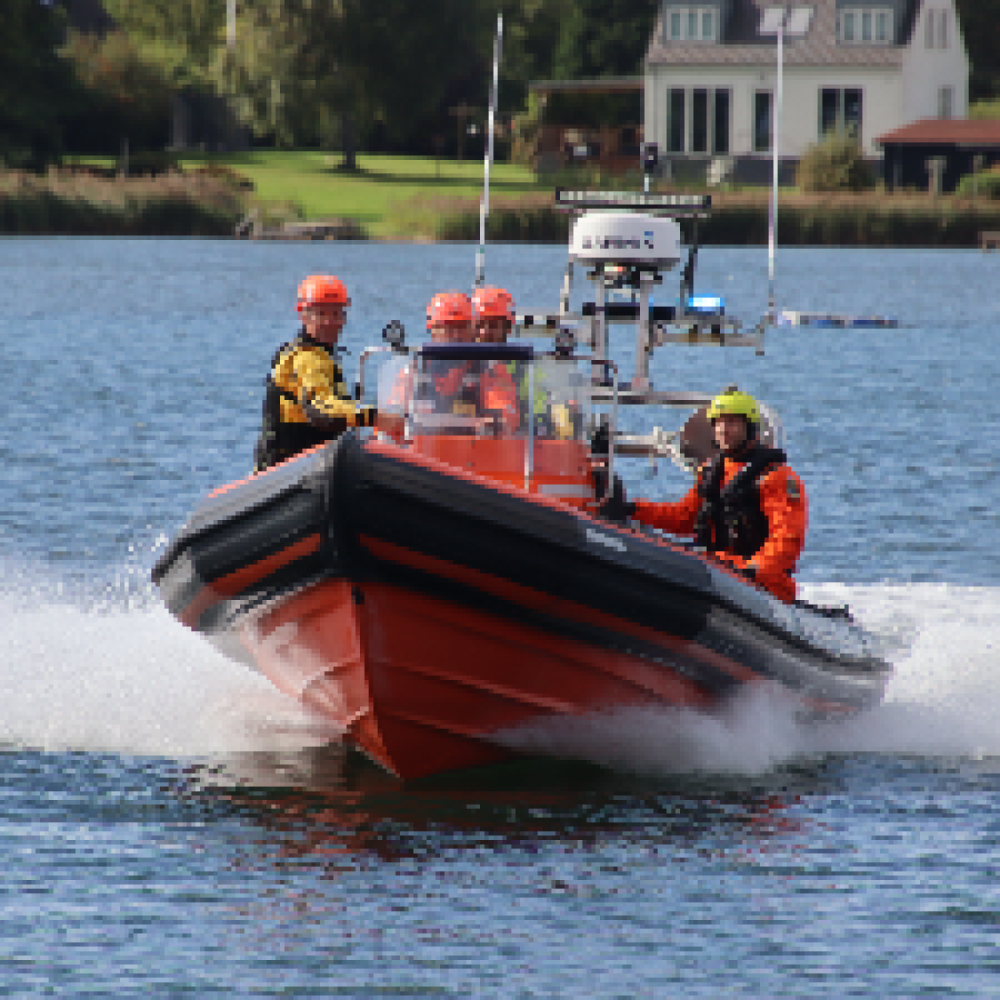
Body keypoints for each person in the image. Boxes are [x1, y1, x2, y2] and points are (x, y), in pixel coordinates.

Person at [602, 386, 807, 603]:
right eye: (719, 423)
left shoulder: (776, 477)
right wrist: (632, 509)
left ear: (750, 428)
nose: (723, 429)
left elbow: (786, 538)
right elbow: (685, 518)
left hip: (762, 583)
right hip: (718, 569)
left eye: (732, 423)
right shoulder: (712, 472)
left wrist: (754, 570)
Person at [254, 275, 377, 472]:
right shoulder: (305, 358)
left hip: (314, 465)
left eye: (337, 314)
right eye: (321, 314)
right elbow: (322, 409)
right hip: (287, 471)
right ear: (303, 316)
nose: (331, 322)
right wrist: (374, 416)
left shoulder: (323, 356)